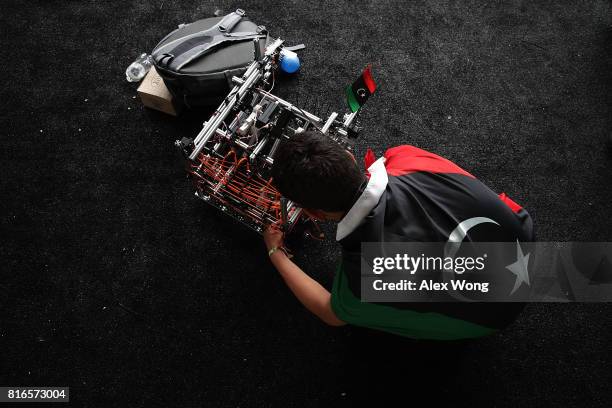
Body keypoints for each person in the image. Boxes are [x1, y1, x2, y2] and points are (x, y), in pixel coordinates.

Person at [264, 130, 534, 340]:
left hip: (494, 316)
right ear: (348, 156)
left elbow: (331, 312)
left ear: (314, 213)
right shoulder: (406, 155)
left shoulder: (361, 276)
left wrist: (277, 254)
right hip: (524, 247)